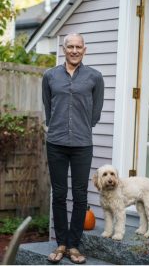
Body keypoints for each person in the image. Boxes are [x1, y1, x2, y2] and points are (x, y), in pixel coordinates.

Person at [42, 33, 104, 264]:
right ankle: (61, 244)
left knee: (79, 195)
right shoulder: (50, 76)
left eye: (79, 47)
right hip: (56, 142)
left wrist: (80, 127)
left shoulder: (95, 77)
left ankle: (74, 245)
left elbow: (95, 112)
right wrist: (58, 126)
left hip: (82, 144)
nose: (75, 50)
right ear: (64, 48)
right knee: (58, 194)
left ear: (84, 50)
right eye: (71, 47)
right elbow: (48, 108)